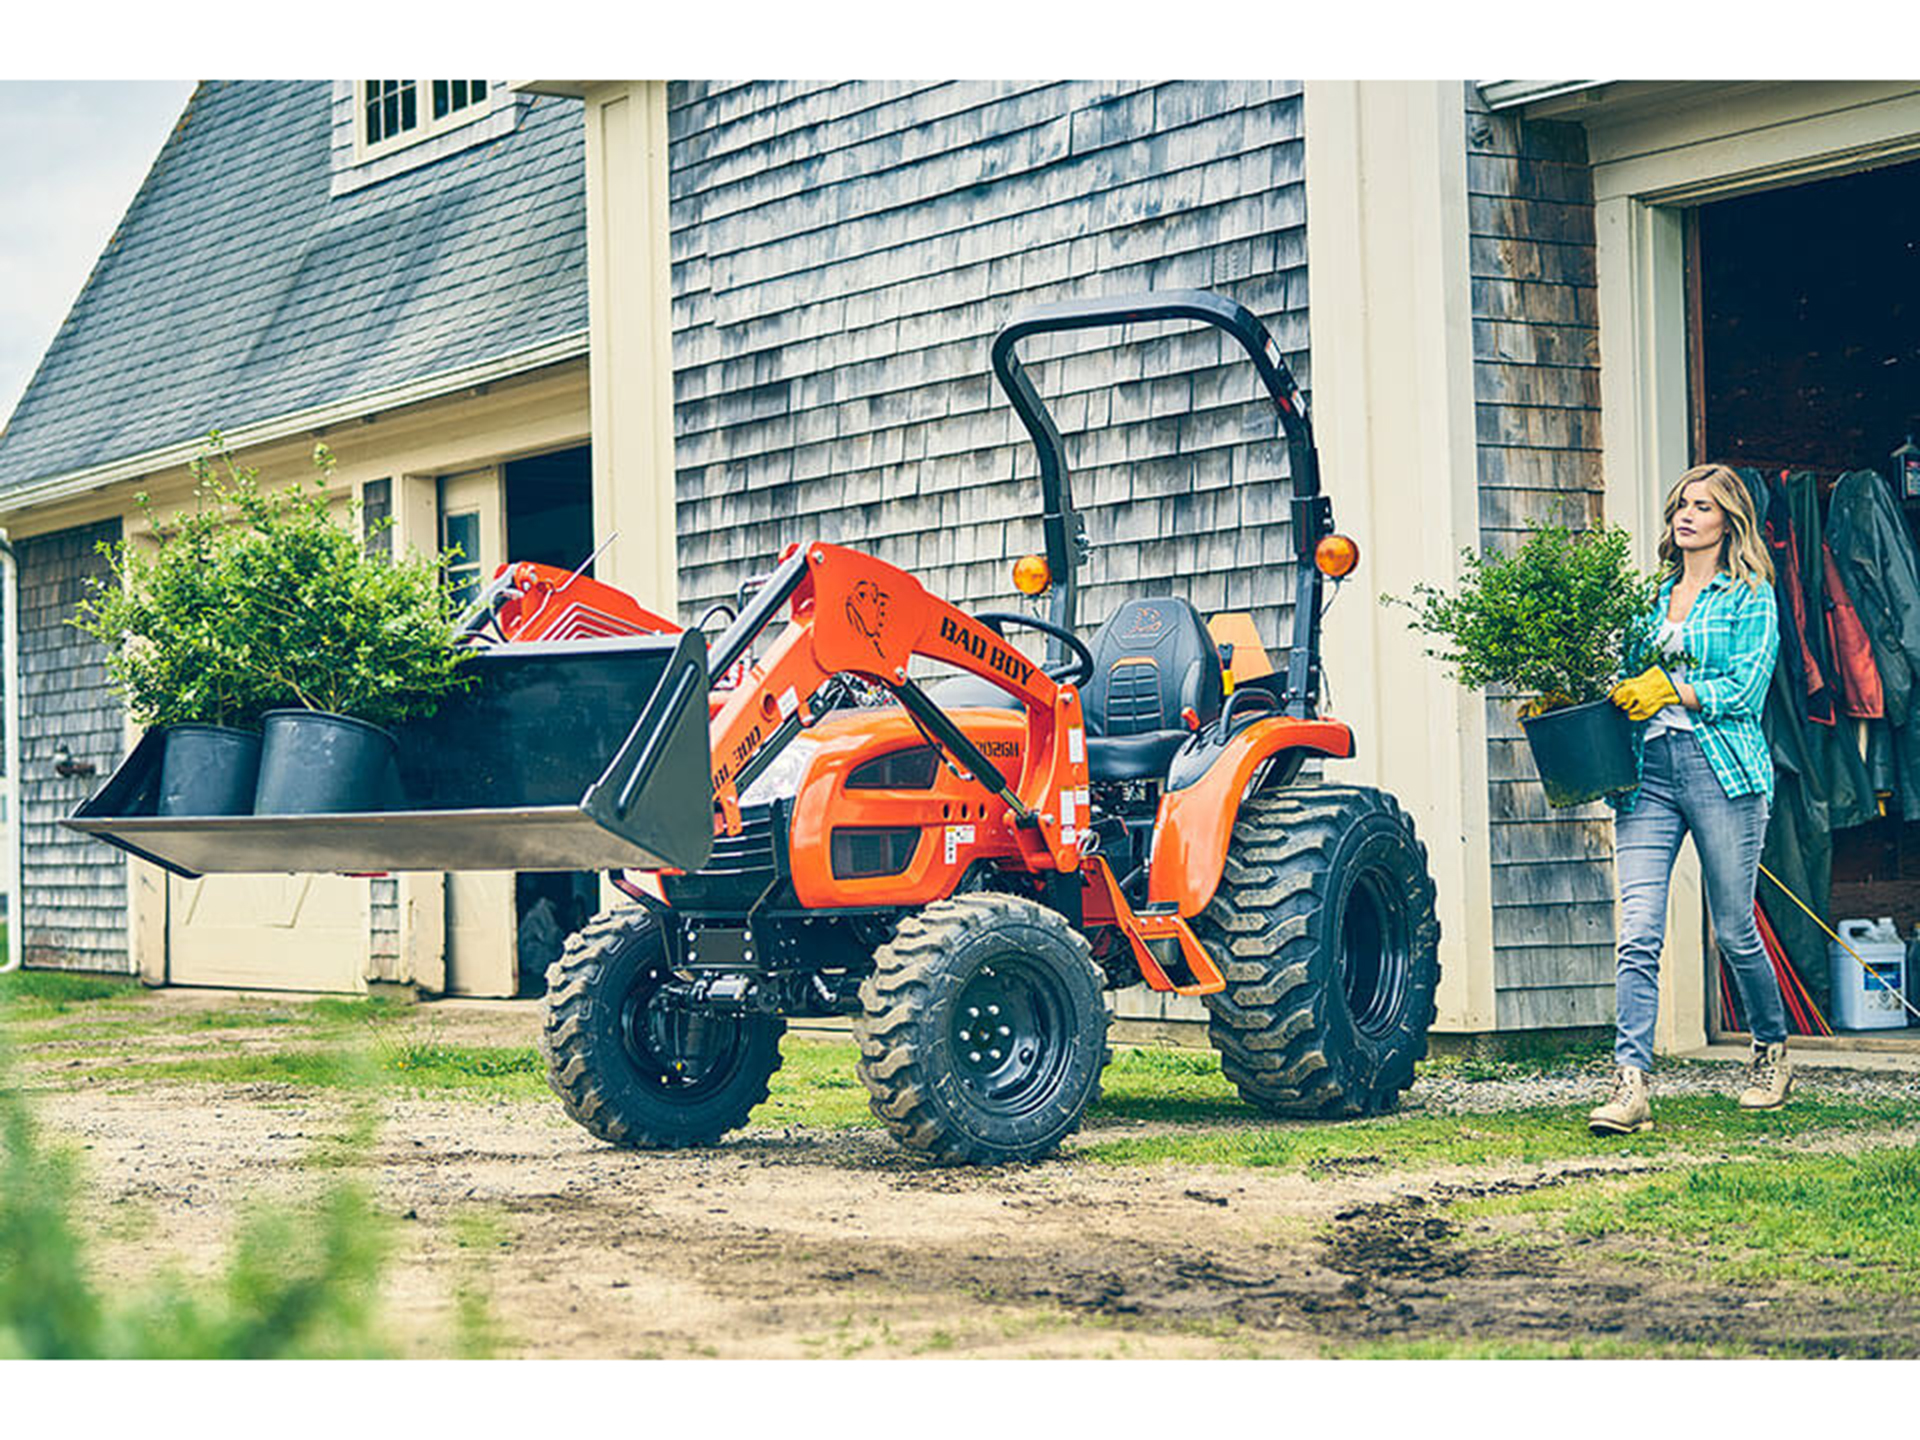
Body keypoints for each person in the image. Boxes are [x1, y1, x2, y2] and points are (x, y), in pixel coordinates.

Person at [1590, 463, 1790, 1135]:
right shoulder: (1652, 594)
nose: (1685, 515)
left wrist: (1674, 689)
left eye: (1701, 506)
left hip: (1721, 769)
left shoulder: (1750, 595)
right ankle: (1631, 1085)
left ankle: (1770, 1052)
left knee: (1733, 929)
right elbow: (1623, 674)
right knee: (1638, 931)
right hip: (1648, 770)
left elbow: (1746, 690)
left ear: (1727, 520)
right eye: (1680, 503)